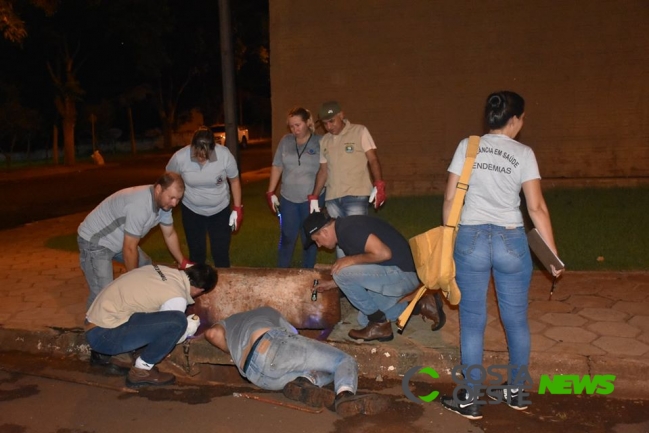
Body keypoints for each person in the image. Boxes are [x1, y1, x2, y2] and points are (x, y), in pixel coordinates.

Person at [439, 91, 563, 420]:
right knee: (516, 321)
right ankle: (517, 392)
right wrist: (552, 256)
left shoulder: (468, 146)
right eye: (522, 118)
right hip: (510, 240)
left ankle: (469, 397)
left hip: (472, 239)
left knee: (473, 320)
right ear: (514, 120)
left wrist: (448, 244)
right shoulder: (524, 153)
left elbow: (451, 201)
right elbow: (536, 207)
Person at [204, 306, 388, 417]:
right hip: (272, 345)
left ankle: (304, 382)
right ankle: (345, 396)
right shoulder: (266, 311)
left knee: (329, 371)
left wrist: (234, 350)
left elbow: (212, 334)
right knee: (343, 360)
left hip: (257, 376)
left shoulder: (229, 321)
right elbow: (293, 335)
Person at [302, 212, 445, 342]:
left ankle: (379, 323)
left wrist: (350, 260)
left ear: (325, 232)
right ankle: (422, 305)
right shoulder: (345, 230)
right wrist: (331, 284)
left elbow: (384, 254)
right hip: (396, 274)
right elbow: (360, 272)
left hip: (402, 275)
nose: (319, 245)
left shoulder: (349, 229)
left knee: (342, 273)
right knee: (364, 319)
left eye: (317, 240)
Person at [85, 263, 217, 388]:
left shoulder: (159, 269)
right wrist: (189, 328)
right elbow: (172, 333)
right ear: (200, 290)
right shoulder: (177, 298)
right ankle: (142, 370)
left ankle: (116, 356)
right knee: (178, 321)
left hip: (95, 323)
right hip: (103, 337)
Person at [78, 171, 190, 309]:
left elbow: (169, 234)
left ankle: (148, 304)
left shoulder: (163, 205)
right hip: (95, 242)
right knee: (104, 294)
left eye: (178, 199)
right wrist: (133, 281)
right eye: (172, 198)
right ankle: (93, 326)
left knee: (148, 268)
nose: (174, 203)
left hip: (119, 240)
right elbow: (129, 249)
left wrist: (182, 261)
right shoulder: (141, 205)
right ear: (159, 189)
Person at [166, 126, 243, 268]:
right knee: (196, 253)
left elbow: (234, 180)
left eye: (205, 155)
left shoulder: (224, 155)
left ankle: (223, 284)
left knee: (220, 252)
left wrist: (237, 208)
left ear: (213, 148)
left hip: (220, 210)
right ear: (192, 146)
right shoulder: (180, 157)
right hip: (192, 211)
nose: (201, 158)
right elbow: (169, 180)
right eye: (197, 154)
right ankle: (198, 286)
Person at [266, 107, 324, 268]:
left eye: (298, 125)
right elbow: (277, 166)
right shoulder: (286, 141)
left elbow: (325, 170)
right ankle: (282, 272)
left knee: (309, 237)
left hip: (310, 199)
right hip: (288, 198)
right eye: (291, 126)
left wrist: (316, 195)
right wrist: (270, 192)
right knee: (287, 237)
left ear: (307, 123)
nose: (295, 129)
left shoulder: (319, 142)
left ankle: (307, 274)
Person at [308, 101, 386, 220]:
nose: (329, 127)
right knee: (337, 236)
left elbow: (373, 159)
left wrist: (379, 184)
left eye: (331, 121)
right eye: (325, 124)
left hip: (356, 194)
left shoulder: (359, 131)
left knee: (356, 233)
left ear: (341, 115)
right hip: (332, 197)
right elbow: (323, 171)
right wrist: (314, 196)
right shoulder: (324, 141)